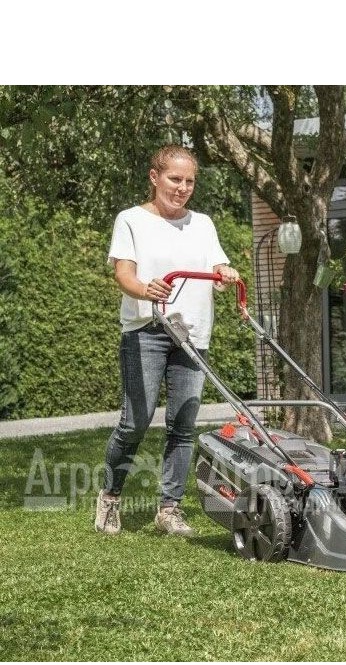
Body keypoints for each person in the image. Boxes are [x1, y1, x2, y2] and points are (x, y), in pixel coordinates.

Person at [95, 144, 239, 536]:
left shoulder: (203, 224)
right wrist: (145, 289)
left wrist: (225, 273)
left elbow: (217, 265)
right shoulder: (131, 220)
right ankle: (110, 496)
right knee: (135, 422)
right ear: (154, 176)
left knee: (183, 424)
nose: (182, 188)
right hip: (146, 330)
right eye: (175, 179)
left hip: (192, 334)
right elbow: (123, 274)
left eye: (190, 181)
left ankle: (169, 508)